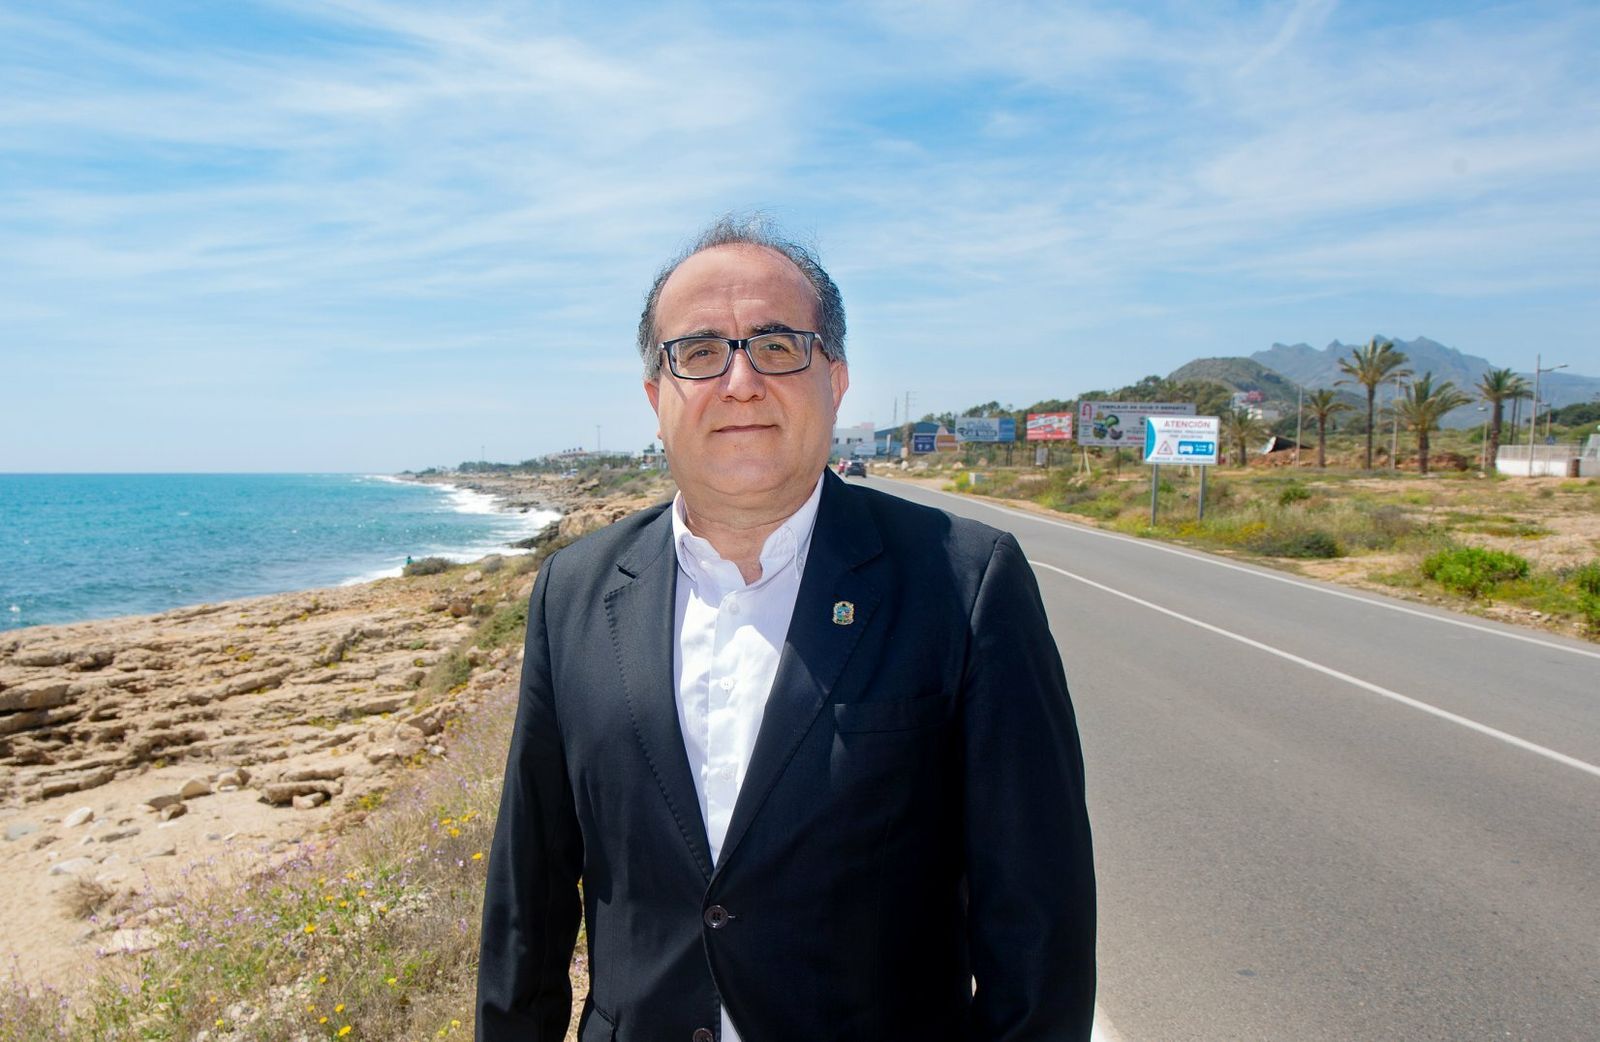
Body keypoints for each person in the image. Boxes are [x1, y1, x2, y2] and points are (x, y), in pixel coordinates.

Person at [476, 217, 1095, 1041]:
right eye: (698, 352)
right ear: (657, 397)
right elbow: (532, 894)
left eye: (776, 345)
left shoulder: (963, 582)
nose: (739, 382)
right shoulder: (574, 590)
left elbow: (1039, 931)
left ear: (835, 379)